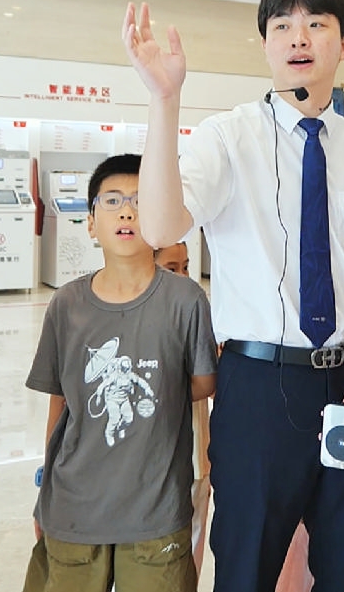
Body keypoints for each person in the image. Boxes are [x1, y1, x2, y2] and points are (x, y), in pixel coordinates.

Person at [123, 0, 344, 592]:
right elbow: (161, 225)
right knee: (246, 569)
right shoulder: (227, 136)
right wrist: (164, 100)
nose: (299, 37)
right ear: (266, 43)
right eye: (283, 26)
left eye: (316, 24)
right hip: (257, 385)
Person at [22, 154, 218, 592]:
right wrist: (45, 491)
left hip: (155, 512)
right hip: (74, 507)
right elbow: (60, 403)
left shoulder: (186, 300)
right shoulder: (67, 305)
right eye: (112, 201)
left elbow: (204, 383)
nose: (127, 211)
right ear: (91, 223)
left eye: (140, 201)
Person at [153, 241, 213, 575]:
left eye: (186, 266)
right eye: (172, 268)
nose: (183, 276)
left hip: (195, 458)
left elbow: (210, 384)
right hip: (152, 461)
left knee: (190, 555)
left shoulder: (197, 310)